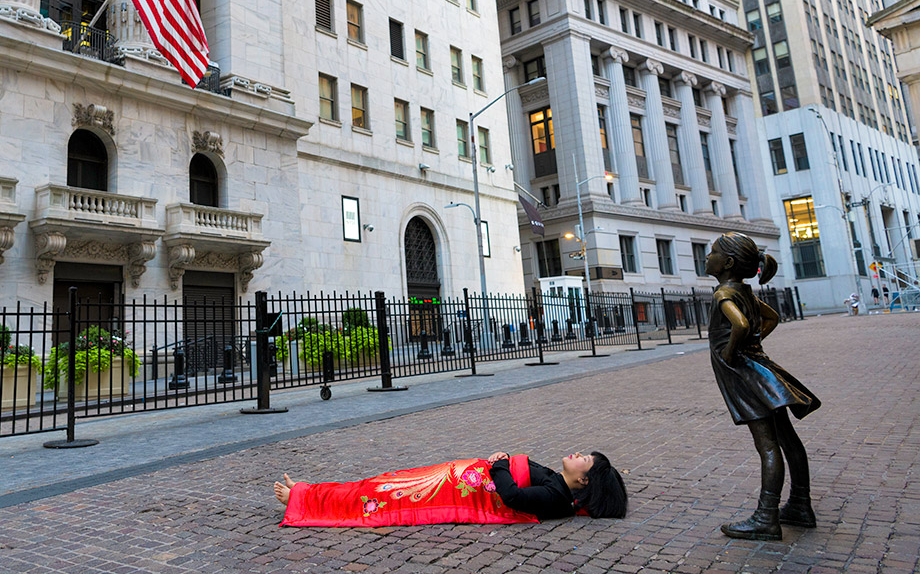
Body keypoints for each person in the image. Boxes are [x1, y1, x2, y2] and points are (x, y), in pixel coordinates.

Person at [705, 232, 821, 541]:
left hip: (745, 375)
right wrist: (753, 344)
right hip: (761, 370)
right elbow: (770, 319)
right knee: (787, 438)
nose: (707, 256)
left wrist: (731, 352)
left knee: (768, 445)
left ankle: (766, 517)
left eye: (712, 252)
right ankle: (799, 504)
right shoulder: (746, 291)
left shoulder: (723, 294)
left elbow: (741, 325)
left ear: (727, 263)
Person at [274, 451, 627, 527]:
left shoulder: (554, 497)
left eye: (585, 459)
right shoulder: (554, 480)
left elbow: (512, 497)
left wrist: (501, 464)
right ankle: (309, 492)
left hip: (448, 488)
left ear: (584, 479)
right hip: (451, 479)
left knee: (381, 495)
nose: (578, 454)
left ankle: (303, 499)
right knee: (382, 483)